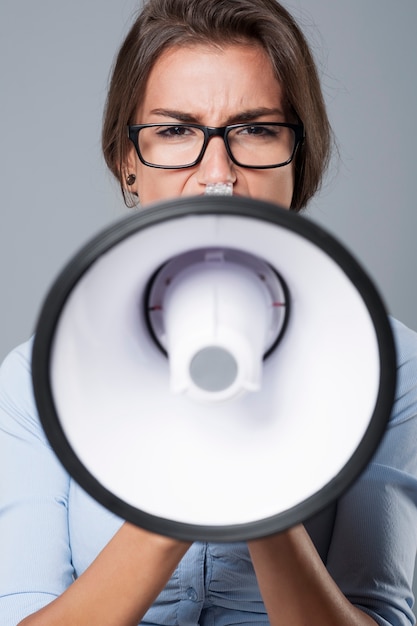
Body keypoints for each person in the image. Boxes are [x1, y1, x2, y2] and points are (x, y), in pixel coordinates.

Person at [1, 0, 417, 624]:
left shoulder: (391, 364)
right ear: (127, 162)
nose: (217, 175)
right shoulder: (37, 379)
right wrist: (185, 478)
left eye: (255, 130)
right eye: (174, 132)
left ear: (297, 159)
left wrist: (255, 472)